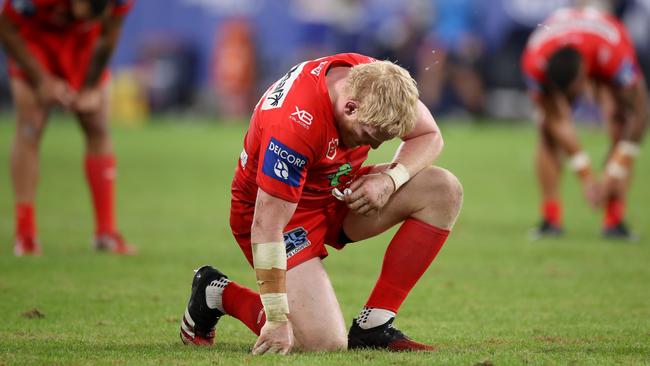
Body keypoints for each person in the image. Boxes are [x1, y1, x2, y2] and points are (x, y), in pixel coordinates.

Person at [178, 53, 463, 354]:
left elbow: (429, 134)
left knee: (443, 190)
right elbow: (267, 224)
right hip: (280, 216)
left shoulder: (380, 85)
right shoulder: (295, 124)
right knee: (321, 344)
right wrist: (276, 318)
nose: (376, 146)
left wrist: (389, 179)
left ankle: (374, 325)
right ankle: (216, 294)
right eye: (370, 135)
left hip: (337, 190)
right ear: (350, 107)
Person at [0, 0, 137, 255]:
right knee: (30, 126)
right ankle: (25, 234)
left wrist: (90, 88)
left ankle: (106, 233)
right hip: (35, 41)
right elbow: (6, 27)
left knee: (97, 123)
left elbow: (108, 36)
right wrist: (42, 80)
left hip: (82, 46)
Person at [521, 7, 647, 240]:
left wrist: (615, 168)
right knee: (546, 131)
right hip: (560, 40)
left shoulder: (612, 53)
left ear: (584, 76)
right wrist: (586, 174)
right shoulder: (534, 61)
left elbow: (640, 111)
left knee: (622, 123)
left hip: (603, 39)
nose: (572, 102)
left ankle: (614, 220)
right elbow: (556, 120)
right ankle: (551, 219)